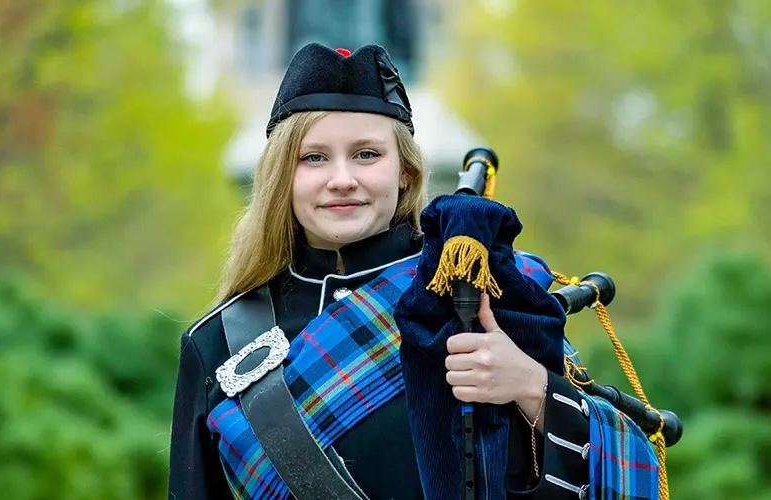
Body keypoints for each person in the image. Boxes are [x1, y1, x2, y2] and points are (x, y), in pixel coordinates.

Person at [168, 43, 661, 500]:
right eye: (313, 158)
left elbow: (618, 462)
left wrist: (531, 386)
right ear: (281, 176)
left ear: (404, 170)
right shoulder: (220, 343)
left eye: (367, 154)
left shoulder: (480, 288)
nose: (343, 179)